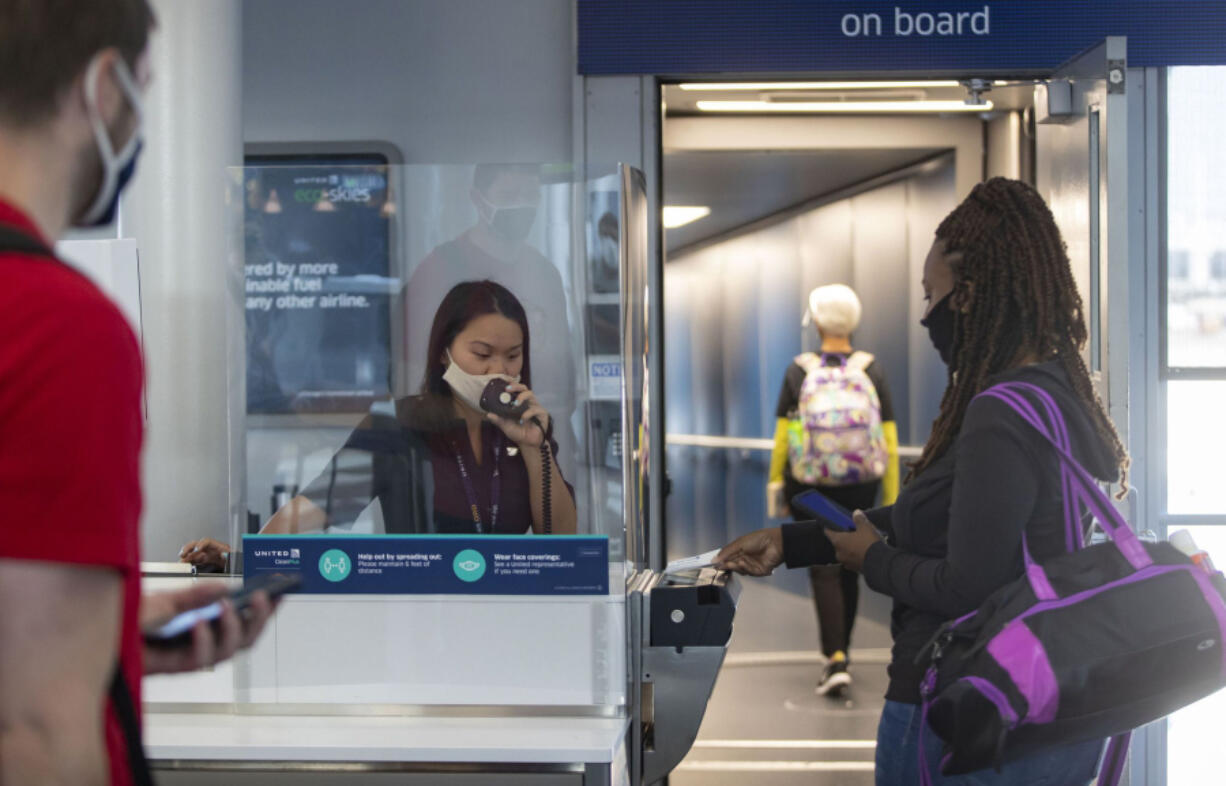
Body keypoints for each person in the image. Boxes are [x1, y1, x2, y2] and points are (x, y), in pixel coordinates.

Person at [716, 178, 1125, 785]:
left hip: (961, 705)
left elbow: (967, 586)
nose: (925, 314)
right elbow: (939, 521)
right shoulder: (1055, 393)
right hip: (1038, 696)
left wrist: (872, 561)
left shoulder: (997, 412)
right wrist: (791, 542)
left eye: (933, 294)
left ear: (975, 294)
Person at [0, 3, 276, 784]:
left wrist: (109, 644)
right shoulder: (58, 327)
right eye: (143, 89)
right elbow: (35, 731)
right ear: (103, 88)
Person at [182, 280, 577, 569]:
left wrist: (533, 447)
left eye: (513, 356)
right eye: (482, 354)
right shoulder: (398, 425)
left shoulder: (525, 430)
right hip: (420, 618)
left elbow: (563, 545)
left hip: (514, 618)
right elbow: (316, 508)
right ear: (444, 353)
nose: (500, 370)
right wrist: (242, 558)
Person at [768, 283, 899, 698]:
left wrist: (777, 483)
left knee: (822, 565)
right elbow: (890, 439)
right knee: (852, 562)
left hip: (811, 483)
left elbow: (784, 436)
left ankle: (835, 657)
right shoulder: (870, 368)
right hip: (864, 481)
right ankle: (845, 653)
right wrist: (892, 494)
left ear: (817, 321)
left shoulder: (799, 370)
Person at [404, 164, 577, 473]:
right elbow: (416, 369)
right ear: (478, 199)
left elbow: (561, 366)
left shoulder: (544, 273)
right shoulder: (440, 268)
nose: (522, 205)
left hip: (532, 435)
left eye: (531, 196)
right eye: (510, 195)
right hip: (455, 446)